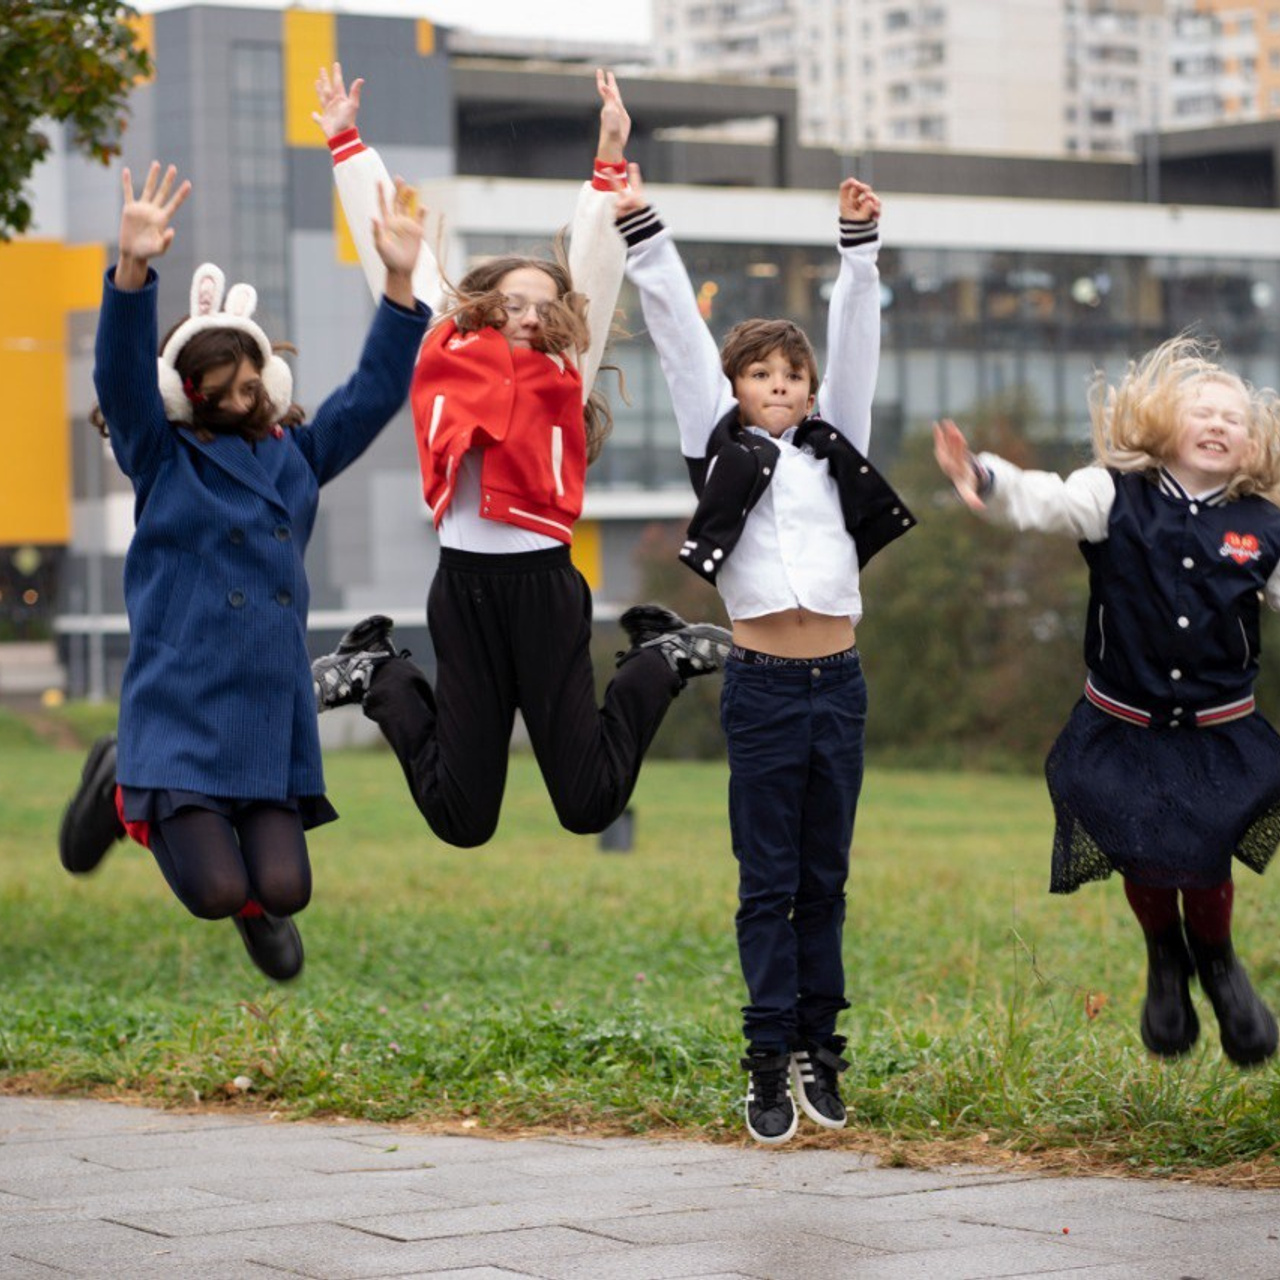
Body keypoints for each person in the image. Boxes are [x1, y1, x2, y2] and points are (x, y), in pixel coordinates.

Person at [307, 65, 730, 848]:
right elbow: (392, 260)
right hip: (461, 590)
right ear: (482, 304)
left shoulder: (564, 368)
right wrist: (345, 143)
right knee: (462, 821)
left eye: (546, 304)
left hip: (544, 589)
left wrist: (609, 159)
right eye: (516, 302)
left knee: (589, 804)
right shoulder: (442, 343)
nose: (534, 314)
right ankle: (378, 674)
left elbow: (597, 265)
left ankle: (659, 660)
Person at [57, 159, 429, 980]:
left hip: (268, 702)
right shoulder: (160, 456)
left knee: (286, 888)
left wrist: (400, 284)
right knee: (218, 891)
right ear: (188, 395)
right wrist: (132, 269)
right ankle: (124, 786)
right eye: (222, 392)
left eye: (252, 386)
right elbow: (119, 378)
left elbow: (369, 396)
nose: (243, 402)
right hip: (181, 700)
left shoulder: (295, 456)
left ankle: (243, 885)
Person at [612, 165, 915, 1144]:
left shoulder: (837, 446)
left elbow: (857, 344)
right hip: (761, 688)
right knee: (766, 882)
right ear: (736, 393)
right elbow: (676, 339)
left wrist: (855, 249)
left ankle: (818, 1052)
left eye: (793, 376)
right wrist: (638, 223)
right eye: (761, 376)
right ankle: (762, 1069)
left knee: (825, 880)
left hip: (840, 683)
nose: (780, 386)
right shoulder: (719, 446)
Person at [934, 335, 1280, 1067]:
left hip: (1217, 733)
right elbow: (1045, 503)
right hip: (1121, 726)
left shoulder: (1265, 528)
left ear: (1254, 445)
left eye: (1235, 419)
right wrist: (986, 476)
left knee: (1204, 848)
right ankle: (1164, 959)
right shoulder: (1111, 493)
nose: (1220, 425)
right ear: (1162, 423)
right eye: (1203, 413)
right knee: (1143, 849)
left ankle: (1218, 963)